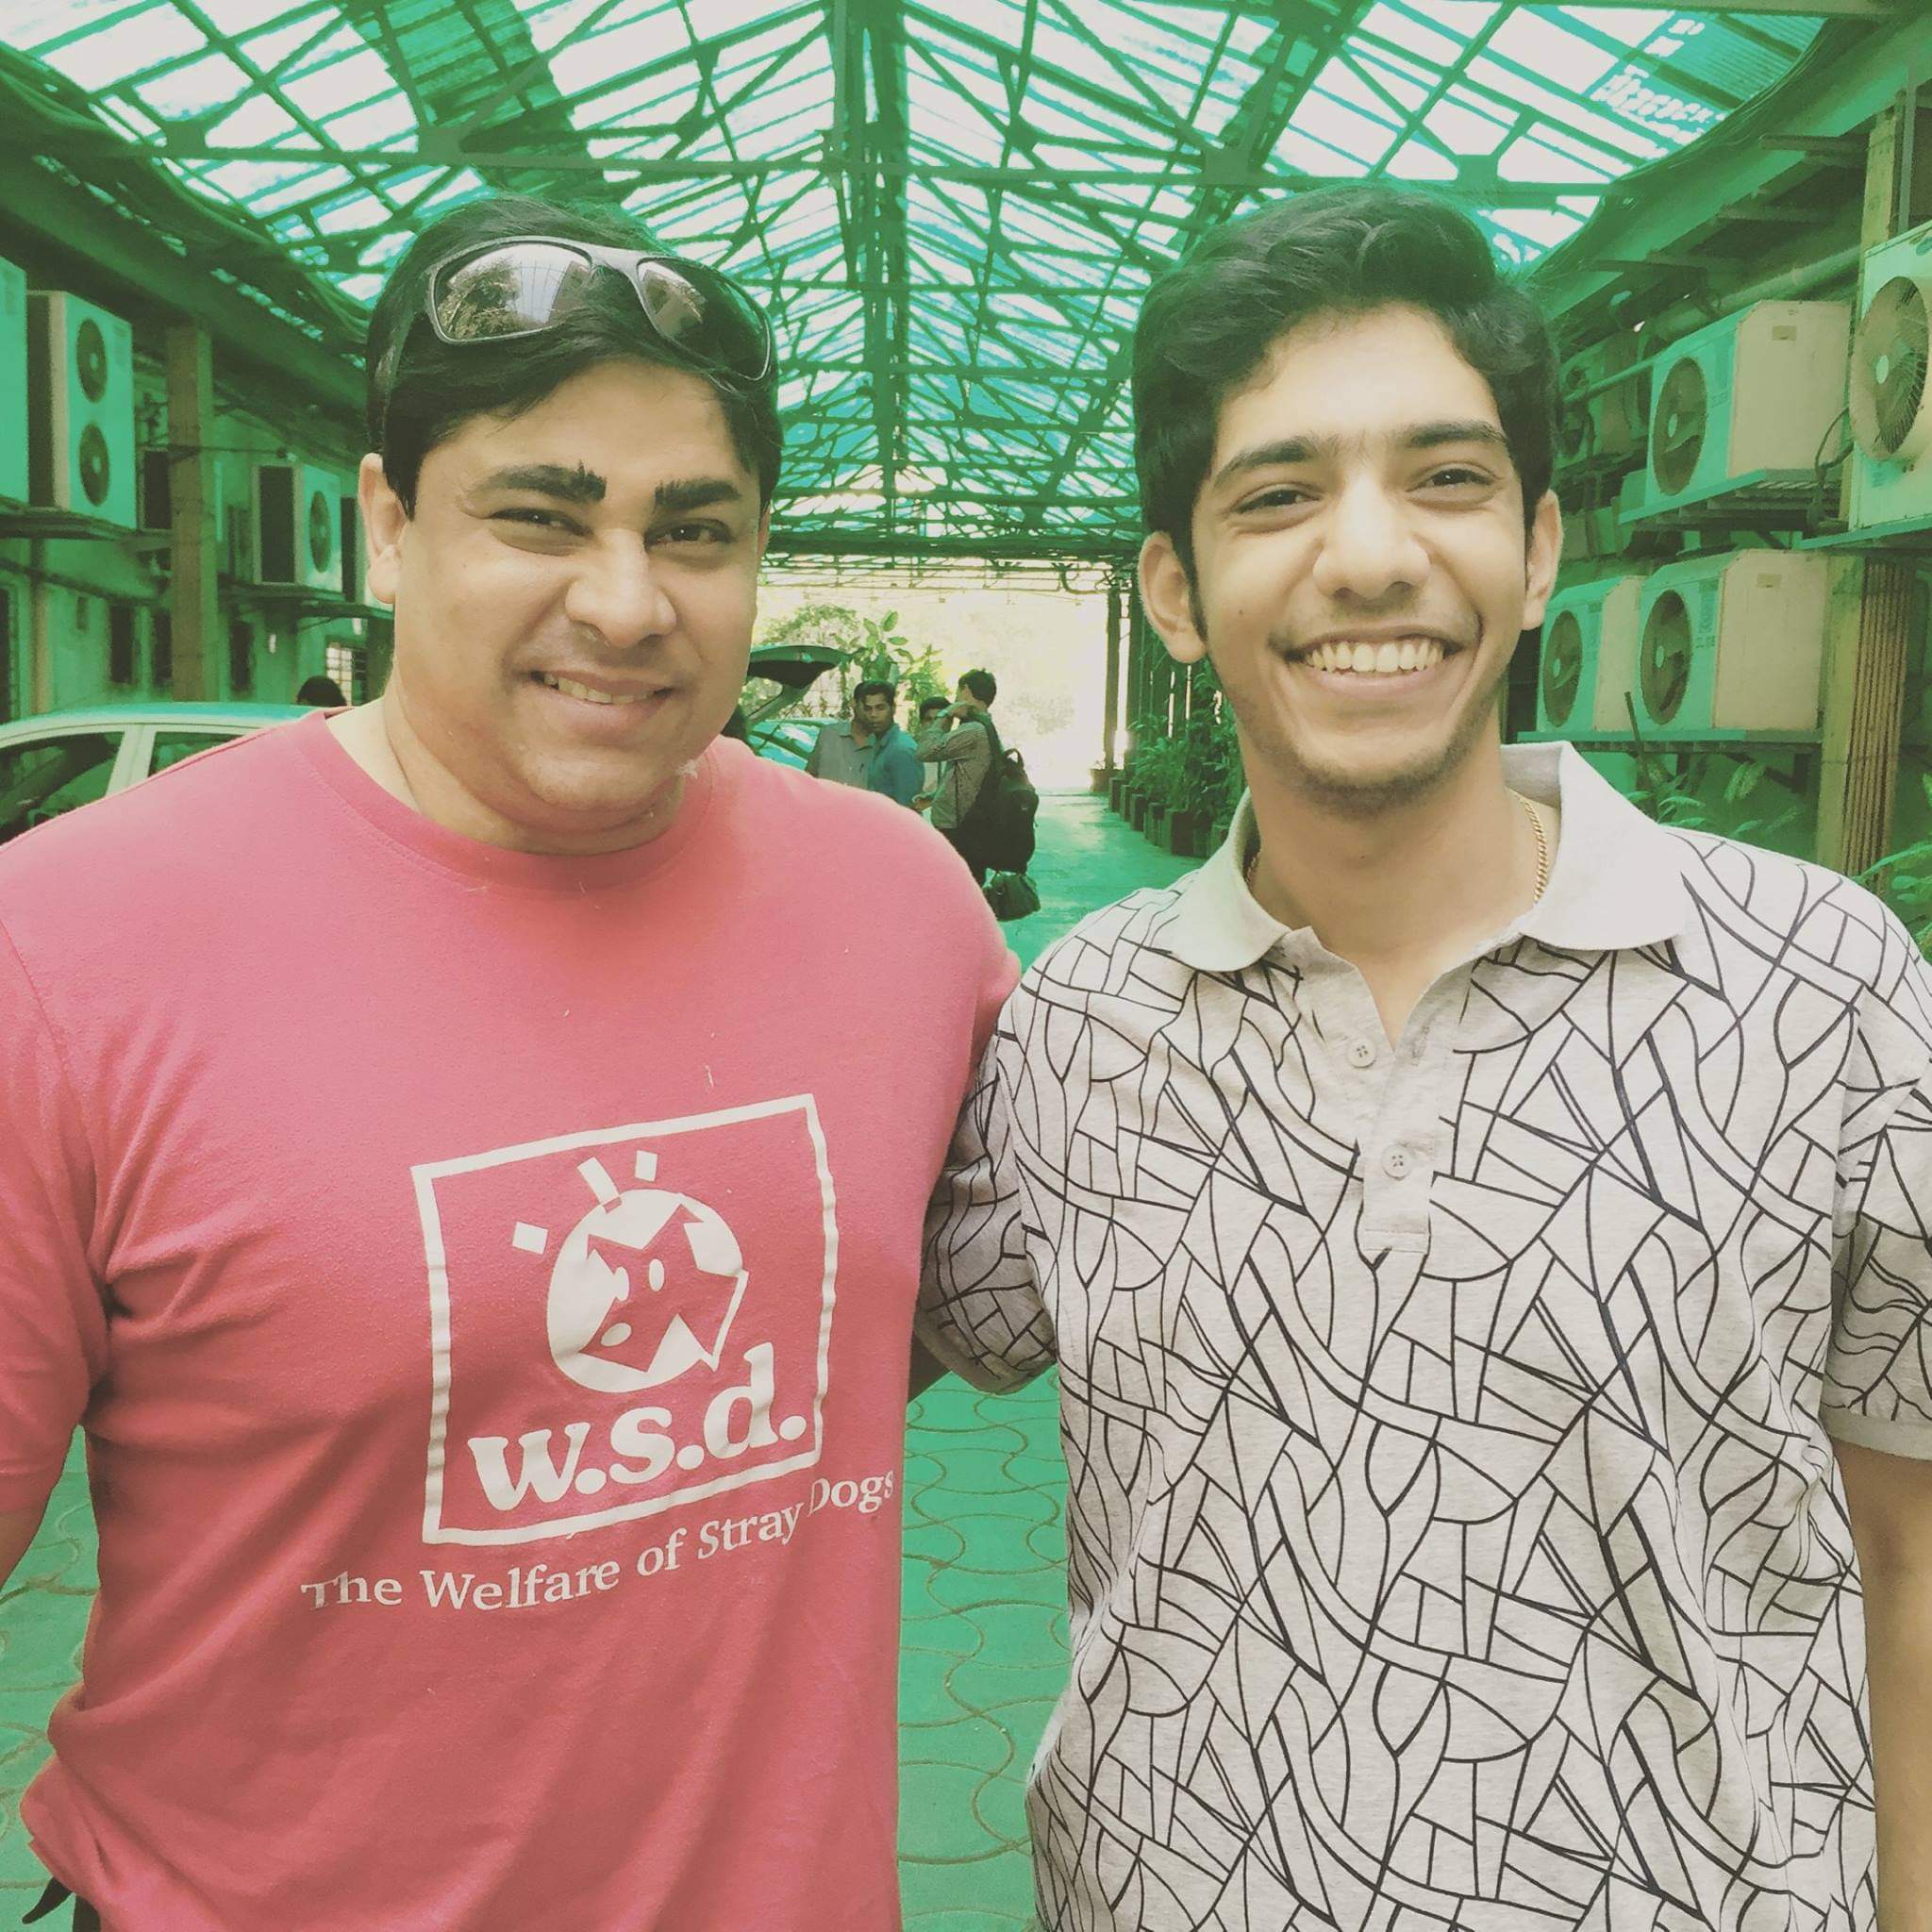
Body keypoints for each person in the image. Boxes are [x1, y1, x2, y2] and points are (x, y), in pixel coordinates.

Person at [916, 183, 1932, 1930]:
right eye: (1277, 494)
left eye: (1445, 479)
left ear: (1538, 549)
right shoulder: (1080, 1021)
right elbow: (830, 1350)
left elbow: (1909, 1554)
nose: (1371, 555)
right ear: (1175, 589)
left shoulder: (1817, 981)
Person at [0, 191, 1013, 1932]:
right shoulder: (66, 947)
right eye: (540, 516)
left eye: (694, 532)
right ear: (389, 524)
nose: (624, 602)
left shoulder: (902, 907)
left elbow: (893, 1306)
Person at [914, 669, 997, 880]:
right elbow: (967, 776)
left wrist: (944, 716)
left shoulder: (973, 730)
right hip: (968, 826)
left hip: (959, 830)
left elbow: (924, 751)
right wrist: (935, 796)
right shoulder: (984, 727)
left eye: (958, 692)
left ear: (966, 690)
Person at [856, 678, 924, 808]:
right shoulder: (879, 744)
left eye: (880, 708)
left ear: (893, 708)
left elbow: (907, 807)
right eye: (868, 709)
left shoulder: (901, 750)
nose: (873, 714)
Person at [804, 683, 878, 788]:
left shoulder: (888, 746)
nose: (873, 714)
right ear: (854, 703)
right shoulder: (829, 734)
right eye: (867, 707)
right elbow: (810, 775)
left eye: (879, 708)